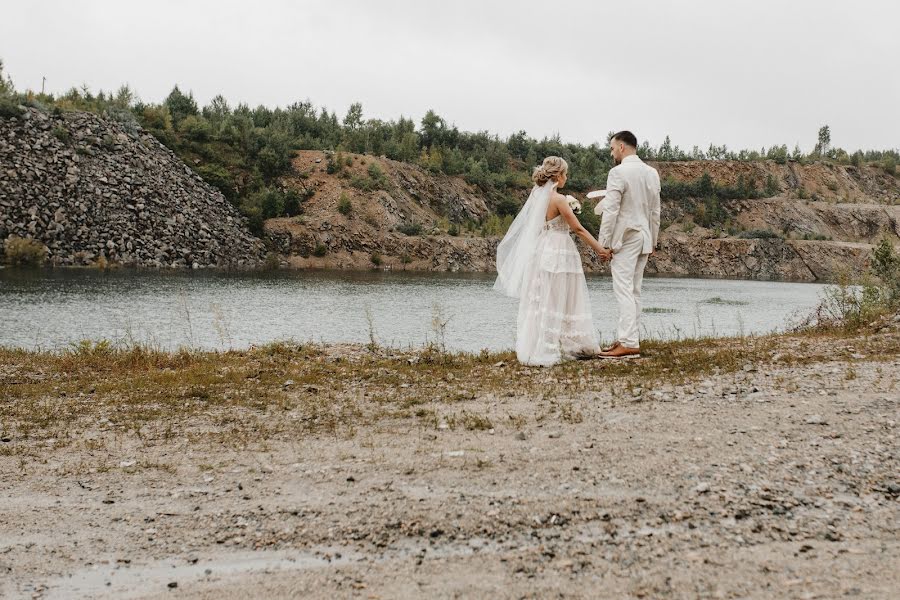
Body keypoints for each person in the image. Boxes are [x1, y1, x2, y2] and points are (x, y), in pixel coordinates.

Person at [494, 156, 611, 366]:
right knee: (563, 296)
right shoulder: (559, 200)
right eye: (565, 174)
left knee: (544, 297)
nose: (566, 177)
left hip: (542, 250)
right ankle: (567, 343)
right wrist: (600, 249)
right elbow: (578, 229)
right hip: (559, 250)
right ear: (558, 175)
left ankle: (541, 345)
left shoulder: (539, 198)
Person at [595, 131, 661, 359]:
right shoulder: (652, 173)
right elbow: (655, 210)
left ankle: (629, 342)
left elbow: (611, 209)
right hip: (644, 236)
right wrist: (653, 241)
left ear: (622, 147)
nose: (612, 152)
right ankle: (628, 338)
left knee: (623, 289)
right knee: (634, 290)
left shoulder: (618, 172)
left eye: (612, 148)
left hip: (625, 237)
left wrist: (603, 243)